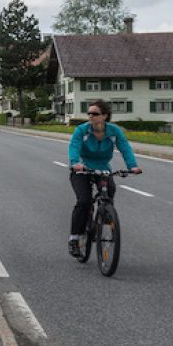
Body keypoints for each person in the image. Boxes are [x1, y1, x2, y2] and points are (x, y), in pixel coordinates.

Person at [67, 99, 141, 257]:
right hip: (82, 168)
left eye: (95, 113)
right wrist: (75, 163)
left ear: (104, 116)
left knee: (110, 190)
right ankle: (74, 239)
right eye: (89, 113)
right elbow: (74, 146)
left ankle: (104, 216)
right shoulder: (82, 130)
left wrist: (132, 166)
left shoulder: (114, 131)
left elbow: (125, 147)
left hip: (102, 167)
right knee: (84, 201)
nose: (90, 116)